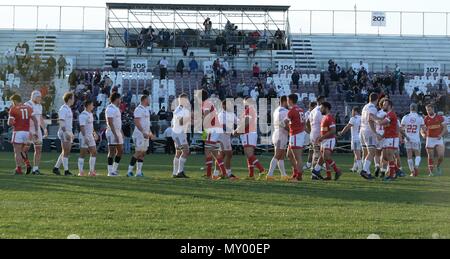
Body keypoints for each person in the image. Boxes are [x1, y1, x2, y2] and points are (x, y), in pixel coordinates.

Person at [234, 97, 265, 180]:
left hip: (248, 134)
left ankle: (261, 170)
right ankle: (251, 175)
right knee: (249, 155)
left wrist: (238, 131)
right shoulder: (251, 110)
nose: (243, 103)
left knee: (249, 154)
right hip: (249, 133)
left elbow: (246, 122)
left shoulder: (249, 109)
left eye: (244, 102)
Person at [8, 95, 39, 175]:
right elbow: (35, 121)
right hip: (26, 132)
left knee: (17, 151)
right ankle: (27, 163)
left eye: (12, 101)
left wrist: (14, 122)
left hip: (18, 132)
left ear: (15, 101)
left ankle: (18, 169)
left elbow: (9, 123)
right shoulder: (28, 108)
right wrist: (36, 131)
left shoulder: (13, 109)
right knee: (22, 150)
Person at [200, 90, 227, 180]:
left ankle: (208, 175)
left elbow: (207, 116)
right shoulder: (207, 103)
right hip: (215, 129)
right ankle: (224, 173)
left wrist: (204, 129)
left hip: (213, 129)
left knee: (208, 151)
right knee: (215, 153)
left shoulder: (206, 103)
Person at [312, 102, 342, 181]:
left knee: (326, 156)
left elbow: (333, 131)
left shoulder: (329, 117)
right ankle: (320, 172)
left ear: (326, 108)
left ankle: (337, 170)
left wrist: (322, 137)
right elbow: (324, 131)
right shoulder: (324, 117)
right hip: (324, 140)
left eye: (322, 108)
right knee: (323, 158)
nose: (320, 109)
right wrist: (320, 137)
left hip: (329, 140)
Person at [127, 95, 155, 178]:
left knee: (143, 153)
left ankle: (138, 172)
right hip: (139, 135)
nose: (150, 101)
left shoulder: (146, 110)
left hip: (145, 135)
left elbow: (147, 124)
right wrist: (143, 132)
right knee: (138, 152)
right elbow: (136, 122)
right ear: (144, 100)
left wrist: (150, 133)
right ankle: (129, 171)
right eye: (148, 99)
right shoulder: (138, 109)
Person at [359, 93, 382, 180]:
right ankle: (364, 171)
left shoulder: (365, 107)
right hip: (369, 131)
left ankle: (367, 172)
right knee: (372, 152)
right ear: (377, 99)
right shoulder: (373, 108)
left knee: (365, 152)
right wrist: (375, 132)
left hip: (362, 130)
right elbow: (370, 118)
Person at [377, 99, 401, 181]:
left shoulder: (391, 114)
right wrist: (382, 136)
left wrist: (373, 119)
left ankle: (392, 175)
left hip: (392, 137)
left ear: (389, 106)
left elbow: (382, 123)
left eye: (385, 104)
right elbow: (387, 128)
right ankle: (397, 170)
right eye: (383, 104)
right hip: (387, 137)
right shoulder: (387, 114)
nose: (383, 105)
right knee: (385, 157)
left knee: (389, 156)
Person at [25, 91, 48, 175]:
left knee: (38, 149)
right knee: (25, 149)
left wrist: (44, 128)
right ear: (34, 97)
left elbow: (40, 118)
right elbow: (25, 119)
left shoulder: (40, 106)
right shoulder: (27, 105)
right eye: (39, 97)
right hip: (29, 129)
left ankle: (36, 169)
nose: (40, 99)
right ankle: (27, 165)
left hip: (37, 129)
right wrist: (28, 131)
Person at [267, 96, 290, 181]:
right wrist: (291, 131)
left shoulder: (276, 110)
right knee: (277, 155)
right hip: (281, 135)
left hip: (277, 133)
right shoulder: (285, 111)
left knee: (281, 156)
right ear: (284, 101)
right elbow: (285, 125)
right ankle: (270, 174)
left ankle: (283, 175)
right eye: (287, 101)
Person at [53, 92, 75, 176]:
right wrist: (66, 132)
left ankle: (56, 168)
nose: (74, 100)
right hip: (64, 132)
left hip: (68, 131)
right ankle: (66, 171)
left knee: (65, 151)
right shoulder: (63, 109)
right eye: (73, 98)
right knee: (66, 151)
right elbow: (61, 122)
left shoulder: (68, 108)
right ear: (69, 99)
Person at [422, 104, 447, 176]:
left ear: (433, 109)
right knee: (430, 156)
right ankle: (431, 172)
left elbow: (445, 128)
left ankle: (438, 166)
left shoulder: (439, 117)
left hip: (438, 138)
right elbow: (422, 129)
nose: (428, 111)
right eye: (427, 110)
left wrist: (441, 135)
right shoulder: (425, 119)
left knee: (441, 155)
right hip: (429, 139)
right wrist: (423, 134)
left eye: (429, 109)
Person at [217, 100, 239, 180]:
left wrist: (240, 128)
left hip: (227, 136)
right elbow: (223, 126)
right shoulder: (221, 115)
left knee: (222, 155)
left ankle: (217, 174)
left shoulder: (232, 114)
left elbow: (239, 122)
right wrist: (233, 131)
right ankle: (228, 174)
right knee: (229, 154)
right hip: (222, 136)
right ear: (223, 106)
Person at [401, 104, 425, 177]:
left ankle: (412, 172)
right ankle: (416, 166)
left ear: (410, 109)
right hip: (416, 139)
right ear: (416, 109)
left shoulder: (405, 117)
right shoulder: (420, 117)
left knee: (409, 156)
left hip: (407, 139)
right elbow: (423, 129)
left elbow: (401, 129)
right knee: (418, 154)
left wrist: (405, 136)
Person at [171, 94, 191, 178]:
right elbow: (181, 122)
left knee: (178, 152)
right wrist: (190, 117)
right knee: (186, 151)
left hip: (176, 132)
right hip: (179, 133)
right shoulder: (183, 110)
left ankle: (175, 172)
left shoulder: (177, 109)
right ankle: (180, 171)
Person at [339, 107, 362, 174]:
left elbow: (347, 127)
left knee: (357, 154)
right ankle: (354, 167)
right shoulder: (362, 118)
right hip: (361, 137)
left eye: (352, 111)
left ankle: (360, 169)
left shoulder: (353, 118)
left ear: (355, 111)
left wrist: (341, 133)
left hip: (355, 138)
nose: (352, 113)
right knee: (357, 153)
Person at [78, 100, 98, 177]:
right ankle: (81, 171)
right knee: (83, 153)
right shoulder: (83, 115)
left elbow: (91, 126)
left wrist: (94, 133)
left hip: (90, 135)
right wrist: (85, 136)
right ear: (88, 105)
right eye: (92, 105)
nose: (93, 106)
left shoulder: (90, 114)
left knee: (94, 152)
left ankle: (91, 171)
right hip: (84, 136)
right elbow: (82, 127)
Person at [106, 93, 124, 177]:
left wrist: (120, 132)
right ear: (116, 98)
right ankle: (110, 172)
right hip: (111, 132)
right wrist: (115, 134)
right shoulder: (110, 108)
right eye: (119, 98)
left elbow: (118, 122)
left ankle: (114, 170)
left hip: (117, 132)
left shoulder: (116, 108)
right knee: (112, 151)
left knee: (120, 151)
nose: (120, 100)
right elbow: (110, 123)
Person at [309, 96, 326, 178]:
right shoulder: (320, 110)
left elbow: (307, 122)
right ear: (321, 101)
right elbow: (323, 122)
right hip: (318, 134)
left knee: (316, 153)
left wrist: (310, 131)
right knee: (319, 154)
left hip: (313, 133)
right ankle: (314, 173)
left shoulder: (312, 111)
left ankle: (315, 171)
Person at [303, 101, 317, 171]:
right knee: (303, 148)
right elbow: (305, 124)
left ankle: (309, 164)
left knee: (312, 149)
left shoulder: (315, 113)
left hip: (312, 134)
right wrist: (309, 132)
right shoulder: (307, 113)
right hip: (307, 133)